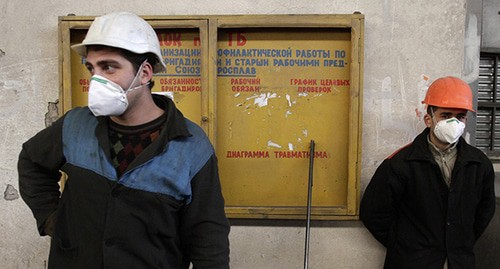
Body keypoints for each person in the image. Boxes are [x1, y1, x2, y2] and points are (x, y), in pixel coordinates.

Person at [18, 12, 230, 269]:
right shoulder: (75, 124)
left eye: (108, 67)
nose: (96, 80)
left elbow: (209, 239)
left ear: (144, 73)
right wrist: (53, 219)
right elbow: (31, 162)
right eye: (91, 68)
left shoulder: (192, 146)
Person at [360, 76, 496, 269]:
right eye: (445, 115)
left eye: (460, 116)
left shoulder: (479, 164)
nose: (454, 122)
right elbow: (373, 212)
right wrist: (406, 245)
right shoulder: (400, 164)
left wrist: (458, 242)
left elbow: (484, 211)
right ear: (428, 119)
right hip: (412, 263)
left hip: (459, 261)